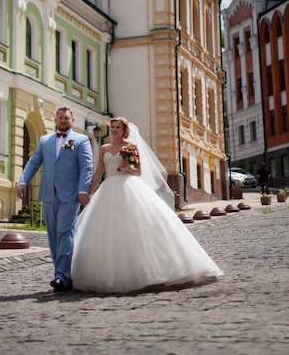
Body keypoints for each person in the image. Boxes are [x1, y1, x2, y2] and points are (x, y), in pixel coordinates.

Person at [71, 116, 223, 294]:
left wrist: (128, 167)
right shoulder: (104, 148)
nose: (114, 130)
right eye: (112, 127)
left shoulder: (130, 147)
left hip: (129, 186)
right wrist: (87, 192)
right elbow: (98, 173)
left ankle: (150, 271)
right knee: (108, 229)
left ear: (124, 130)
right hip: (108, 189)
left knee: (137, 227)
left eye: (118, 127)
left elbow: (139, 171)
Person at [16, 106, 93, 292]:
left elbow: (86, 167)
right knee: (52, 235)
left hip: (71, 195)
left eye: (67, 118)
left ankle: (61, 277)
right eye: (60, 118)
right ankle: (61, 272)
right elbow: (34, 162)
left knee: (64, 232)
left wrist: (83, 190)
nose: (63, 121)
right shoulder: (45, 141)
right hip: (49, 194)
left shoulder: (81, 140)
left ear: (72, 121)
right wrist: (23, 181)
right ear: (56, 120)